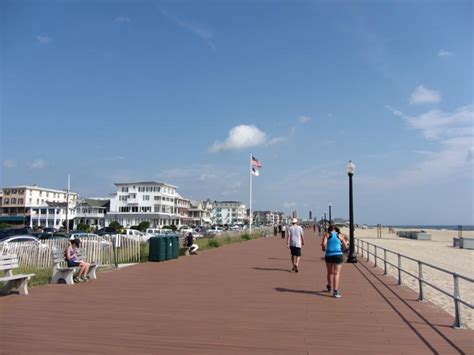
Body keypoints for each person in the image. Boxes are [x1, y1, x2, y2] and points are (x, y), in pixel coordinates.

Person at [322, 226, 348, 298]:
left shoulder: (327, 234)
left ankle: (329, 286)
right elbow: (345, 246)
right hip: (338, 255)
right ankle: (335, 291)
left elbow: (324, 245)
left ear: (329, 230)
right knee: (336, 273)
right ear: (336, 230)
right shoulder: (341, 235)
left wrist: (324, 249)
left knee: (330, 272)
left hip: (329, 255)